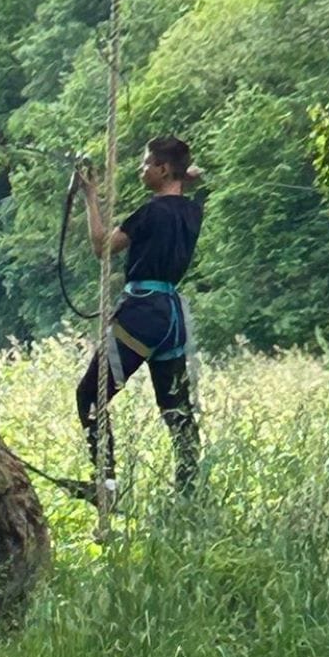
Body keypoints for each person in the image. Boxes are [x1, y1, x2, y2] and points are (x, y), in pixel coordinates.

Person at [76, 135, 203, 492]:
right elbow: (191, 180)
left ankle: (106, 484)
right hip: (172, 317)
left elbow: (102, 247)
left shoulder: (149, 213)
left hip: (142, 312)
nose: (140, 168)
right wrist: (184, 175)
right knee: (176, 408)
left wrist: (90, 196)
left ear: (163, 169)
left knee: (90, 395)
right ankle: (189, 489)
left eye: (147, 163)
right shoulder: (193, 211)